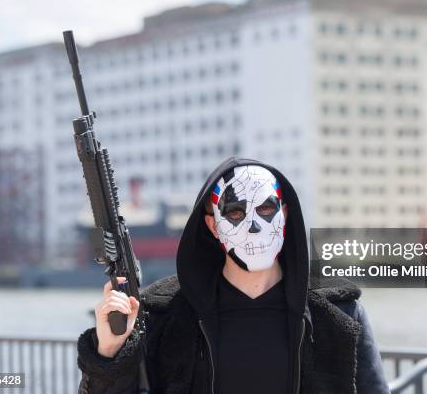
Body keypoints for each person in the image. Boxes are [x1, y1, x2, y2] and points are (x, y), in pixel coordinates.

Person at [77, 157, 390, 394]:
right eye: (236, 213)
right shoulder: (164, 315)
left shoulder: (339, 314)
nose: (253, 226)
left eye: (266, 209)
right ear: (213, 226)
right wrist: (108, 353)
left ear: (285, 213)